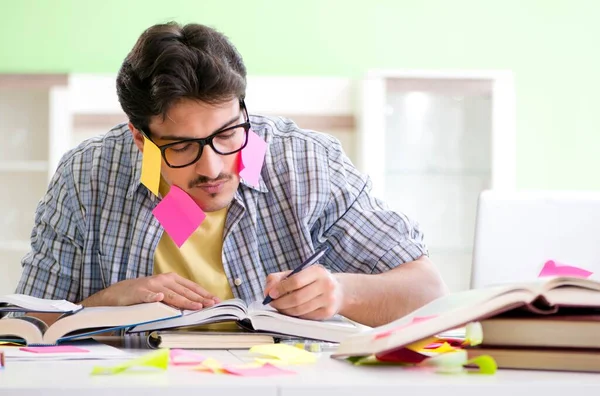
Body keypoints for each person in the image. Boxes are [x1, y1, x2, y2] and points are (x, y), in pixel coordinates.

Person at [14, 21, 447, 328]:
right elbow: (25, 323)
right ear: (140, 139)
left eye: (227, 134)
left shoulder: (305, 164)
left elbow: (429, 291)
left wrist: (343, 292)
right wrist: (106, 304)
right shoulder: (87, 176)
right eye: (181, 146)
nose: (213, 167)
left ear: (243, 111)